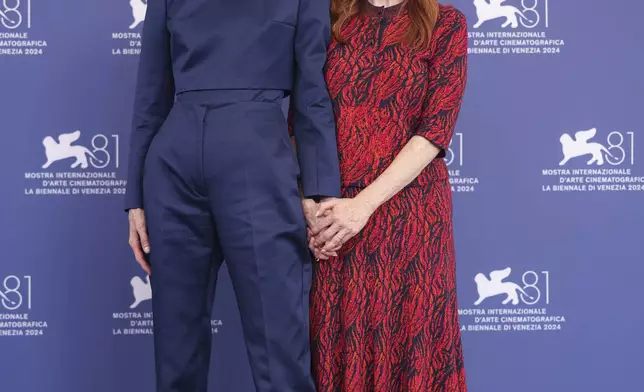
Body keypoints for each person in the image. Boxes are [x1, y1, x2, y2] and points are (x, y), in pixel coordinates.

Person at [124, 0, 341, 391]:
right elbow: (150, 96)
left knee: (280, 343)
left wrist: (321, 189)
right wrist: (134, 199)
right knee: (176, 348)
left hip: (258, 159)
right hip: (173, 165)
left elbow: (312, 94)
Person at [303, 0, 469, 390]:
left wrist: (362, 206)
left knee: (414, 343)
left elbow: (434, 131)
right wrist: (304, 201)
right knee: (339, 345)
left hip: (412, 222)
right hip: (334, 223)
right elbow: (302, 119)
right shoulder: (326, 17)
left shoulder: (445, 23)